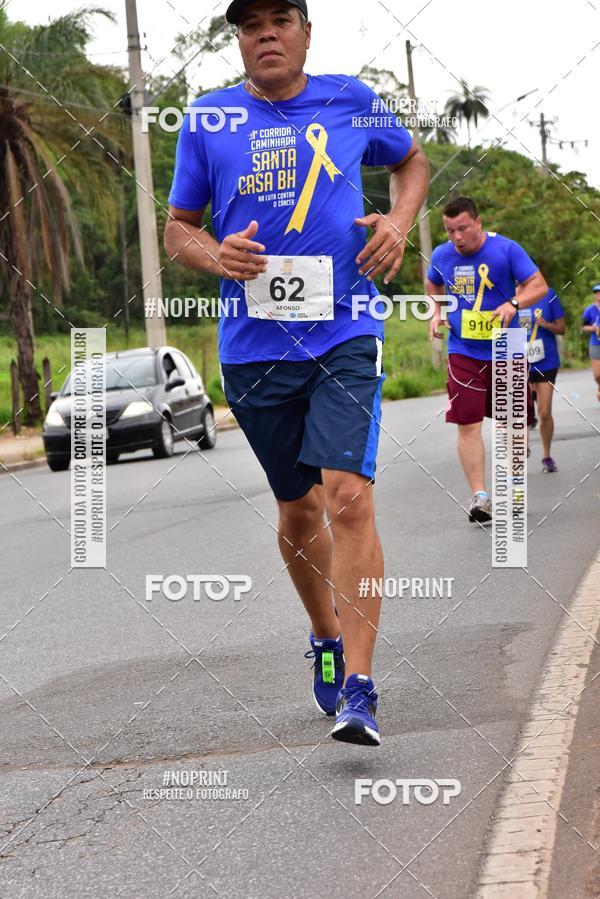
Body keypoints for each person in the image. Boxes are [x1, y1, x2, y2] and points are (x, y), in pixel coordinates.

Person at [164, 0, 429, 746]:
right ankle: (325, 633)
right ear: (241, 41)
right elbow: (178, 227)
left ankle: (361, 686)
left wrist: (400, 221)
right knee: (299, 511)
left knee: (347, 497)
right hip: (254, 350)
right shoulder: (208, 120)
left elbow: (411, 160)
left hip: (346, 328)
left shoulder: (350, 98)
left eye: (281, 18)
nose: (266, 33)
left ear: (307, 32)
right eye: (251, 25)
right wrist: (217, 255)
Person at [426, 197, 548, 523]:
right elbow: (432, 281)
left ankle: (514, 488)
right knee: (468, 423)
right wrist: (437, 312)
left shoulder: (506, 250)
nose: (457, 237)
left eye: (462, 228)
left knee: (511, 425)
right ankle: (481, 496)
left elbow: (539, 285)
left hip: (506, 345)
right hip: (464, 350)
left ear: (478, 222)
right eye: (450, 230)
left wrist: (512, 302)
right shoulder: (442, 254)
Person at [516, 285, 566, 472]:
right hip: (520, 361)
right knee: (522, 407)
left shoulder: (548, 295)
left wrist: (546, 324)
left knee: (544, 412)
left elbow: (562, 328)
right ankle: (523, 443)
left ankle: (546, 456)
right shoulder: (510, 297)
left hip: (546, 360)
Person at [582, 284, 600, 401]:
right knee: (598, 375)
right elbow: (583, 327)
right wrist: (594, 328)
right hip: (595, 343)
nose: (598, 294)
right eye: (596, 292)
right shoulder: (590, 310)